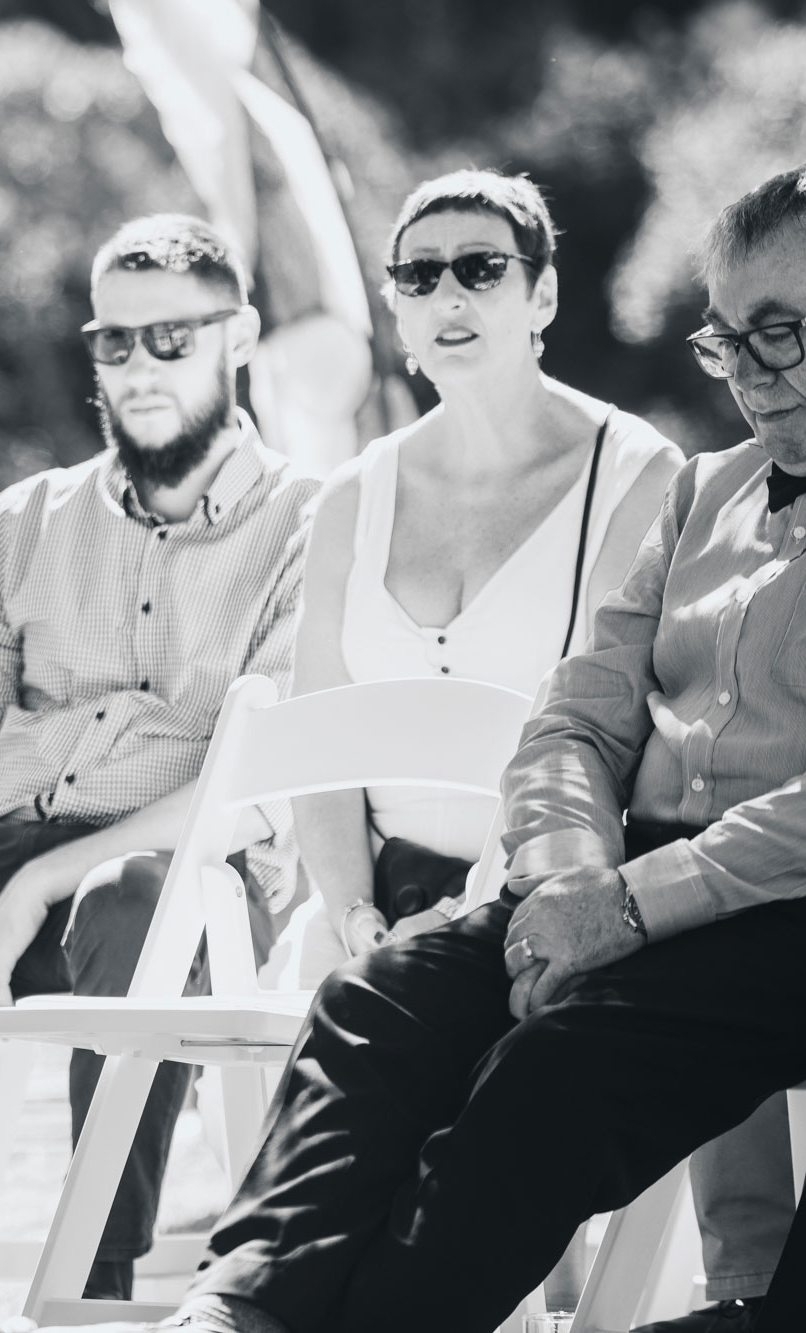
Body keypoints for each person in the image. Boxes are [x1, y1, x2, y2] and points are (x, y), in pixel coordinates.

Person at [141, 160, 806, 1333]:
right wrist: (565, 874)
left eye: (780, 334)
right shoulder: (704, 492)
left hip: (789, 906)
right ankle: (236, 1310)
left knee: (555, 1062)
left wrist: (625, 906)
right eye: (725, 343)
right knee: (377, 995)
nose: (749, 377)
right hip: (610, 870)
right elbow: (574, 717)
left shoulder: (636, 468)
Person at [0, 213, 317, 1300]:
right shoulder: (21, 521)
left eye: (170, 339)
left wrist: (47, 878)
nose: (137, 368)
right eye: (113, 342)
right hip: (0, 855)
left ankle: (88, 1286)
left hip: (182, 873)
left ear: (235, 337)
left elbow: (255, 789)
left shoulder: (311, 524)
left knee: (131, 898)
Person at [278, 169, 680, 990]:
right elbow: (316, 755)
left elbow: (615, 742)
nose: (448, 294)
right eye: (419, 275)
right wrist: (358, 918)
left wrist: (466, 911)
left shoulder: (637, 477)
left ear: (544, 295)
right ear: (397, 310)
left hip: (545, 910)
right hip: (365, 920)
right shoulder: (351, 497)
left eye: (483, 268)